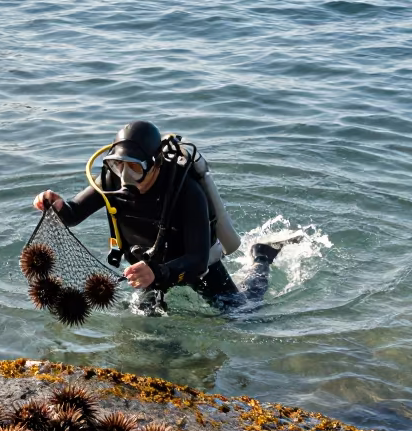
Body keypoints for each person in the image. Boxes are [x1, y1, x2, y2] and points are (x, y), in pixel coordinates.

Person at [33, 120, 293, 315]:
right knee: (145, 327)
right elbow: (74, 213)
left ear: (155, 163)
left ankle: (261, 257)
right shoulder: (111, 179)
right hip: (145, 268)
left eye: (135, 168)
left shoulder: (186, 192)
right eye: (118, 165)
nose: (125, 177)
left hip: (192, 267)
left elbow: (198, 259)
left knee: (245, 312)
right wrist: (57, 206)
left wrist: (159, 272)